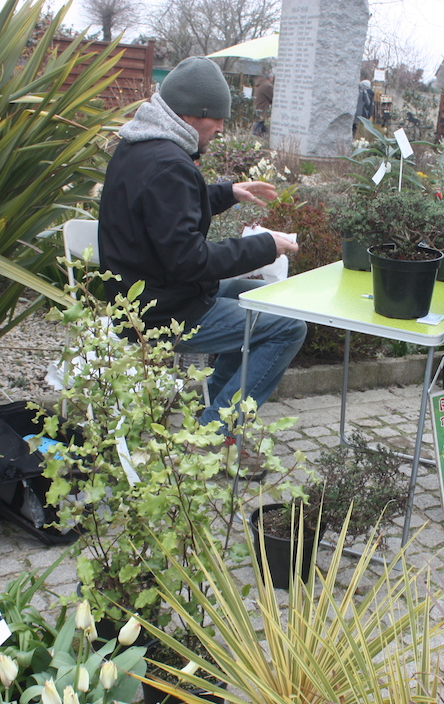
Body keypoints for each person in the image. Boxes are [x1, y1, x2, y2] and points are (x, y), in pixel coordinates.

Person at [98, 56, 305, 475]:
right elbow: (190, 260)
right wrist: (266, 246)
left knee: (268, 298)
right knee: (288, 326)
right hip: (164, 313)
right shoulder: (168, 164)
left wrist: (227, 192)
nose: (221, 128)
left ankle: (213, 420)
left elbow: (165, 213)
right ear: (193, 114)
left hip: (149, 295)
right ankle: (215, 435)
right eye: (218, 119)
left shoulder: (140, 146)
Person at [252, 72, 273, 137]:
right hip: (263, 112)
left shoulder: (260, 84)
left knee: (259, 132)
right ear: (270, 78)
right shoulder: (267, 86)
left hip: (258, 110)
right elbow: (273, 99)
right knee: (258, 132)